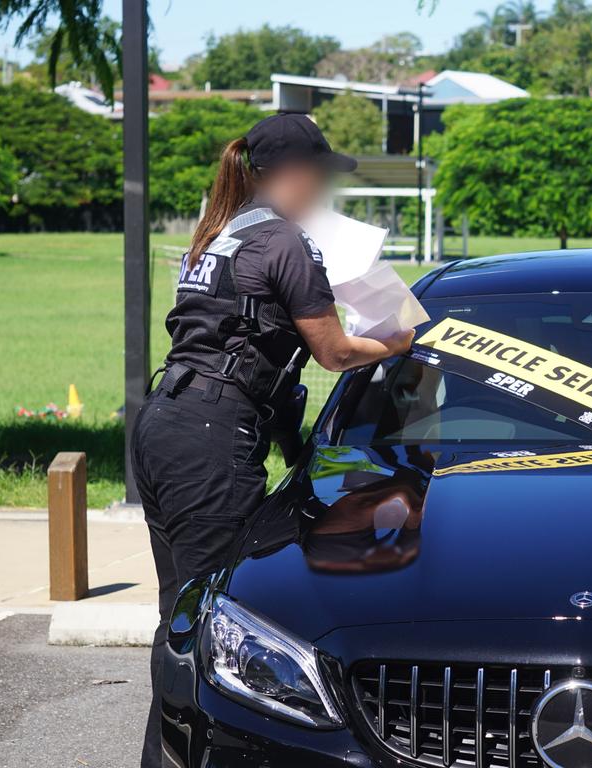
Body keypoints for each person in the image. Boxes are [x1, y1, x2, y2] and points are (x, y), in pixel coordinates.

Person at [131, 113, 414, 768]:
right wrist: (401, 338)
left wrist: (296, 451)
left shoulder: (220, 234)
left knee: (179, 613)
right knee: (207, 621)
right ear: (293, 173)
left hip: (166, 422)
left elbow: (260, 357)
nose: (323, 189)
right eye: (318, 173)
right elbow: (335, 350)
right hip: (210, 436)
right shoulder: (285, 243)